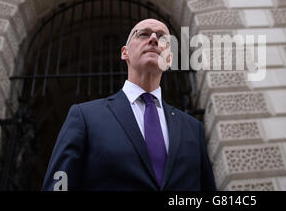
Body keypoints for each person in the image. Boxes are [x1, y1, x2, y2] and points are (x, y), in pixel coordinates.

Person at [42, 18, 217, 191]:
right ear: (125, 52)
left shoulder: (193, 128)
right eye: (143, 34)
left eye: (163, 38)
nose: (154, 39)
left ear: (169, 58)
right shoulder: (85, 116)